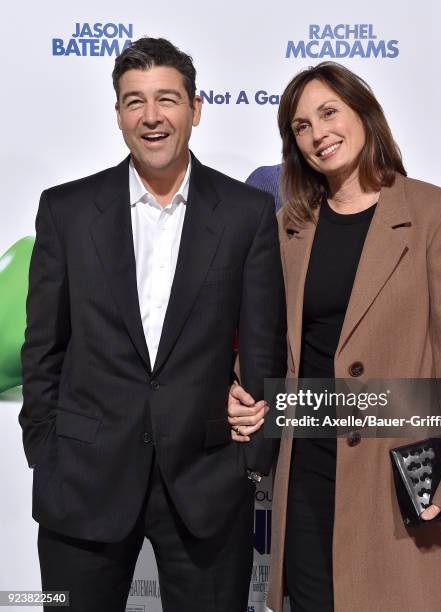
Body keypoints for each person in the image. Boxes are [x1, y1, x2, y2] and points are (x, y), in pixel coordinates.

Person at [228, 61, 441, 612]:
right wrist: (240, 388)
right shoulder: (291, 226)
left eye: (328, 112)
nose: (317, 134)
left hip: (398, 474)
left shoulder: (434, 214)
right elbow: (274, 336)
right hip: (307, 469)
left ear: (363, 112)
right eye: (300, 126)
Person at [19, 37, 286, 612]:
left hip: (208, 481)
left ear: (195, 107)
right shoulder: (66, 210)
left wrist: (252, 457)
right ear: (118, 115)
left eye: (167, 98)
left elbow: (264, 346)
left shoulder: (246, 214)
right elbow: (44, 345)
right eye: (134, 100)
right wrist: (45, 448)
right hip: (82, 483)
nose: (151, 115)